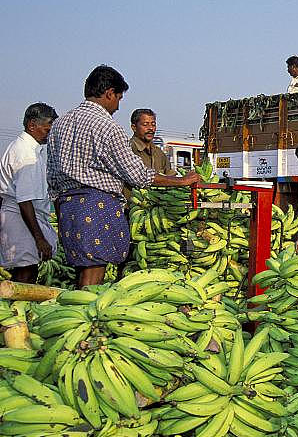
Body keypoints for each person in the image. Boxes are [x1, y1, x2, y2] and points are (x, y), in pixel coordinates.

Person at [47, 65, 201, 287]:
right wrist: (181, 181)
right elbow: (137, 175)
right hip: (95, 204)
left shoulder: (60, 124)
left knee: (82, 266)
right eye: (118, 98)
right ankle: (92, 315)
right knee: (94, 270)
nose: (118, 106)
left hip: (67, 205)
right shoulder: (106, 126)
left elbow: (51, 174)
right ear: (109, 93)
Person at [0, 103, 59, 283]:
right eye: (48, 125)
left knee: (28, 267)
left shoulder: (33, 149)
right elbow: (24, 200)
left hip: (23, 215)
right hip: (20, 217)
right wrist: (39, 238)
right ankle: (16, 309)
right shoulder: (25, 153)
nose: (50, 130)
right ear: (32, 125)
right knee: (25, 269)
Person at [130, 109, 176, 176]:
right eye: (145, 125)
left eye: (153, 124)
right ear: (134, 127)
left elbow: (170, 175)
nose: (151, 128)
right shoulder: (128, 149)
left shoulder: (159, 153)